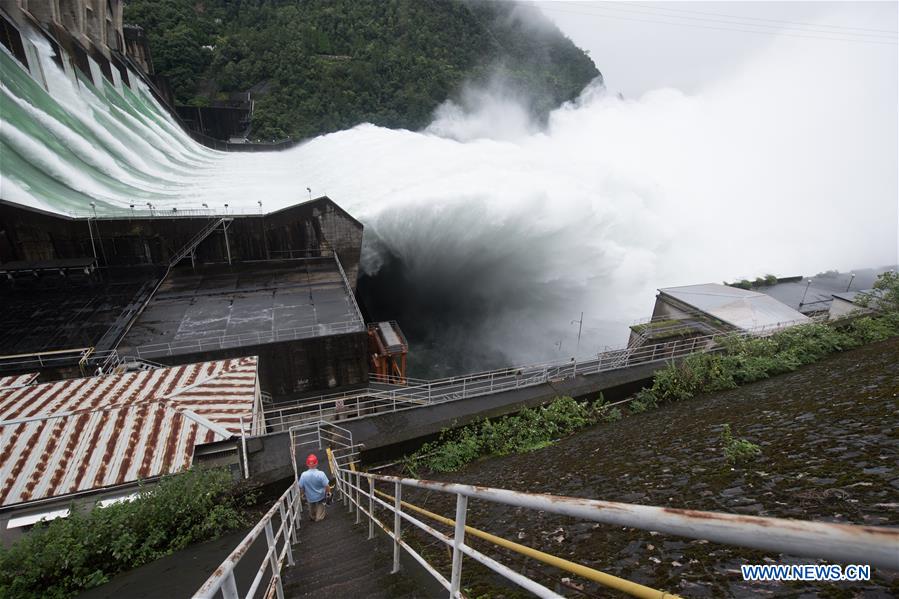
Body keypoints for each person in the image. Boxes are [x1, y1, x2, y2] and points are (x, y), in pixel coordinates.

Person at [299, 453, 330, 522]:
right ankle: (319, 516)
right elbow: (327, 486)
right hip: (320, 496)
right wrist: (328, 493)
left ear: (307, 464)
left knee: (312, 514)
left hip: (310, 497)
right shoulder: (321, 474)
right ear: (317, 464)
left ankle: (313, 516)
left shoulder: (303, 475)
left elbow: (301, 487)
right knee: (319, 516)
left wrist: (301, 494)